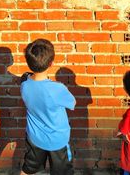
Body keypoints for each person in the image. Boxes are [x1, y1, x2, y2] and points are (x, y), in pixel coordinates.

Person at [20, 39, 76, 175]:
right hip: (57, 140)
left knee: (29, 169)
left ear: (28, 62)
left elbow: (27, 78)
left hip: (34, 137)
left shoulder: (24, 84)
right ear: (51, 63)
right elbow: (72, 103)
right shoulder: (57, 89)